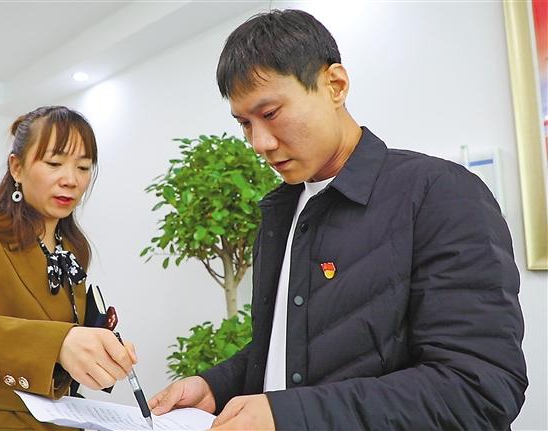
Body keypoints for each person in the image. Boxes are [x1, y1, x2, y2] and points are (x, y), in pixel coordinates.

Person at [149, 9, 527, 430]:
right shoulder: (282, 210)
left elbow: (479, 389)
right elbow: (294, 348)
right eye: (245, 124)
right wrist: (215, 386)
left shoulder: (438, 194)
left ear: (335, 85)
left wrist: (290, 415)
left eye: (270, 114)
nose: (259, 143)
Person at [0, 106, 137, 430]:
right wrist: (59, 343)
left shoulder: (73, 249)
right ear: (17, 168)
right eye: (54, 163)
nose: (71, 180)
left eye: (83, 167)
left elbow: (64, 354)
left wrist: (99, 352)